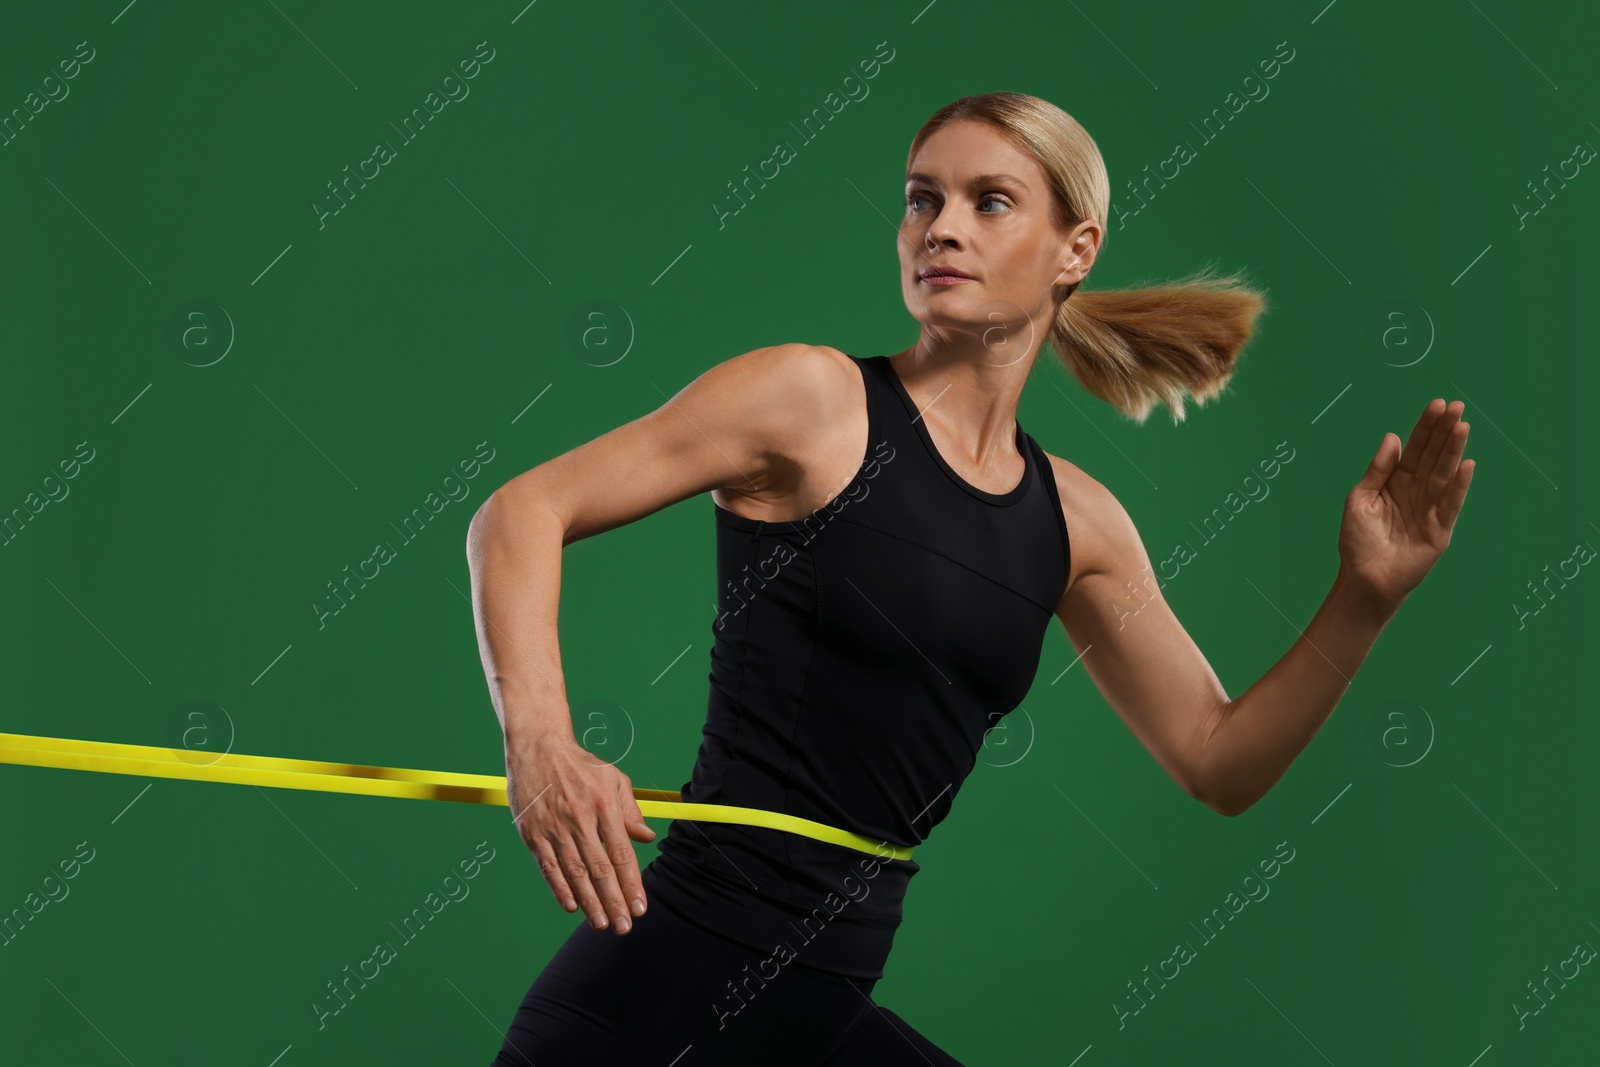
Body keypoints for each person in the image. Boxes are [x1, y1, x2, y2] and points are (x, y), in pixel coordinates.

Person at [466, 91, 1474, 1066]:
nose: (940, 227)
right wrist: (541, 739)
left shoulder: (1077, 522)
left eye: (989, 201)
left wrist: (1365, 595)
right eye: (922, 197)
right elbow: (520, 511)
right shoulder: (811, 400)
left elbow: (1218, 759)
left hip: (812, 1019)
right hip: (654, 1006)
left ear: (1074, 249)